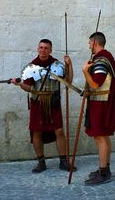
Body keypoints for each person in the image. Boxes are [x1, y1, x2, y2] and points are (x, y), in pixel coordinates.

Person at [11, 39, 76, 173]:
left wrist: (69, 65)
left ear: (50, 50)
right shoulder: (31, 67)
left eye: (46, 48)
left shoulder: (58, 65)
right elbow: (28, 88)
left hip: (53, 103)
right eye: (41, 47)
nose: (43, 50)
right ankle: (41, 162)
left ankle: (64, 162)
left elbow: (68, 81)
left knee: (59, 131)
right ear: (37, 48)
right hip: (37, 103)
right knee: (37, 131)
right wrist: (19, 84)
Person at [81, 32, 115, 185]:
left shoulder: (101, 60)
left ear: (95, 42)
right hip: (102, 102)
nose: (89, 45)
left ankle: (103, 173)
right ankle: (105, 169)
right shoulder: (105, 57)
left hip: (100, 103)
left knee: (100, 136)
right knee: (103, 135)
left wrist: (85, 72)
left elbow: (96, 84)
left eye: (90, 43)